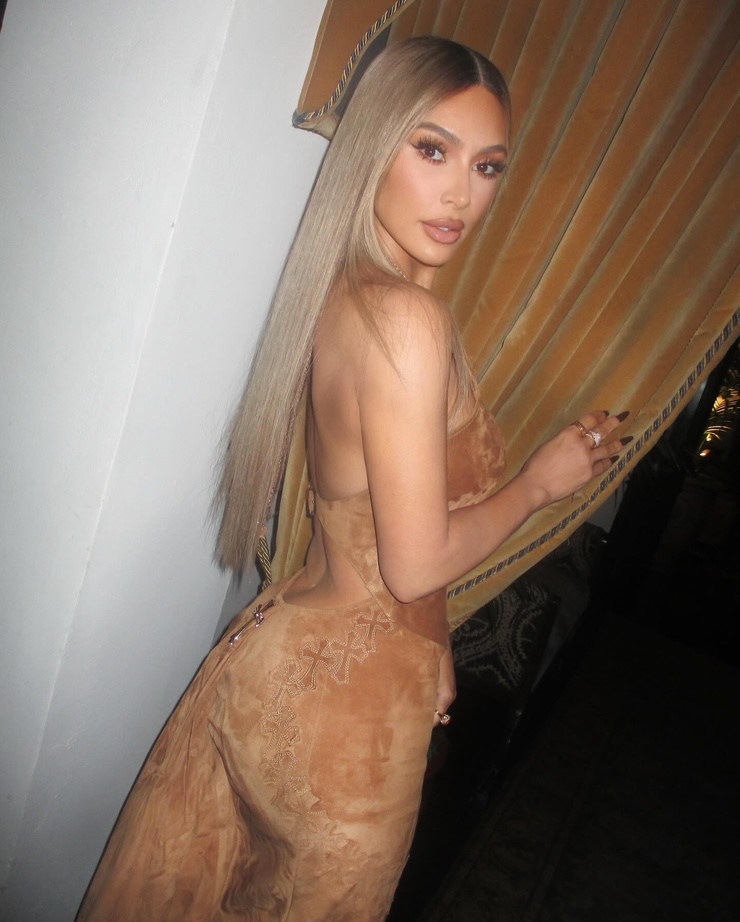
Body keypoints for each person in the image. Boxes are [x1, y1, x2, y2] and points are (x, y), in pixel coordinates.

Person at [77, 36, 622, 921]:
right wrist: (536, 485)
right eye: (432, 150)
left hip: (284, 656)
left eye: (487, 166)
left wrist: (433, 642)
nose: (462, 194)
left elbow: (381, 525)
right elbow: (413, 560)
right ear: (374, 145)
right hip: (344, 718)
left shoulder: (347, 297)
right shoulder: (406, 322)